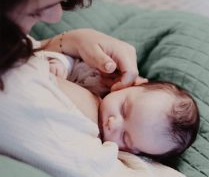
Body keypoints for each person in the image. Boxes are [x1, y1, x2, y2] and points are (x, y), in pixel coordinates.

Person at [0, 0, 189, 177]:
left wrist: (67, 42)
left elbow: (32, 54)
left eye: (127, 139)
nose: (57, 15)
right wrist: (61, 59)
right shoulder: (19, 94)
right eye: (39, 8)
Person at [40, 49, 200, 160]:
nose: (112, 123)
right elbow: (72, 58)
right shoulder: (99, 77)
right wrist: (60, 64)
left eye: (125, 137)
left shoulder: (103, 148)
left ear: (135, 152)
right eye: (123, 109)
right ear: (133, 84)